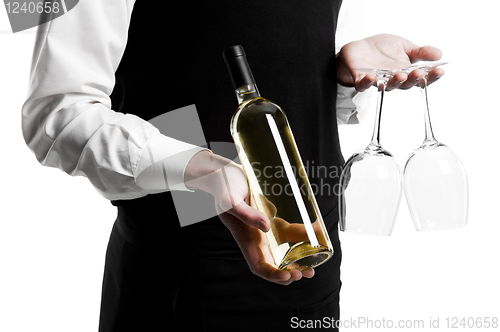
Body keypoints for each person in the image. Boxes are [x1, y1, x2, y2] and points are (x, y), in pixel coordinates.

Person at [21, 0, 444, 330]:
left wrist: (346, 70)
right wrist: (202, 167)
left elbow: (287, 58)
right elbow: (60, 113)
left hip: (315, 249)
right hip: (185, 268)